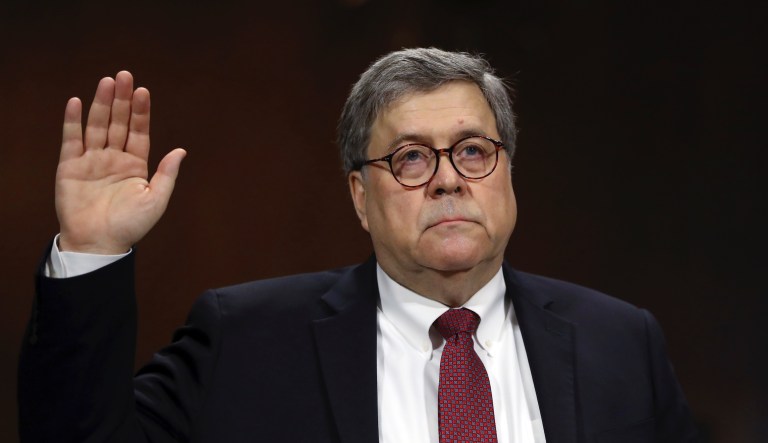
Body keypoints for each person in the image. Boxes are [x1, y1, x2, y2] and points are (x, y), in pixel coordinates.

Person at [18, 48, 699, 442]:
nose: (447, 182)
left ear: (508, 173)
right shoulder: (245, 340)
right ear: (358, 196)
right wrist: (91, 251)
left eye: (471, 151)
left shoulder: (622, 342)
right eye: (409, 159)